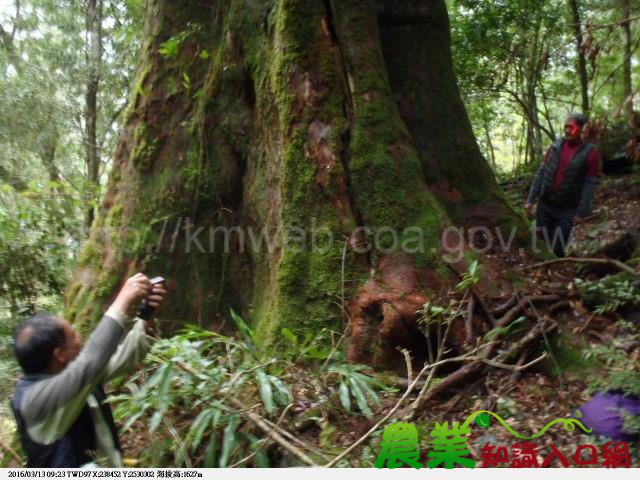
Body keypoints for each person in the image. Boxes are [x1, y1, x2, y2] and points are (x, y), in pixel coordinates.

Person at [11, 273, 167, 468]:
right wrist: (122, 301)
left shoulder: (73, 376)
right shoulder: (34, 402)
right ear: (59, 354)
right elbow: (91, 361)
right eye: (73, 335)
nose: (79, 338)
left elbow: (123, 357)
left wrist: (147, 316)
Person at [525, 113, 601, 257]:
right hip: (545, 206)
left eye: (571, 127)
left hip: (567, 210)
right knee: (540, 243)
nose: (567, 131)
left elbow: (589, 183)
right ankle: (541, 274)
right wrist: (530, 200)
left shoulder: (590, 153)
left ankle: (557, 274)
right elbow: (541, 173)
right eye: (565, 127)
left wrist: (581, 212)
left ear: (581, 129)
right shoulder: (555, 146)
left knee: (559, 246)